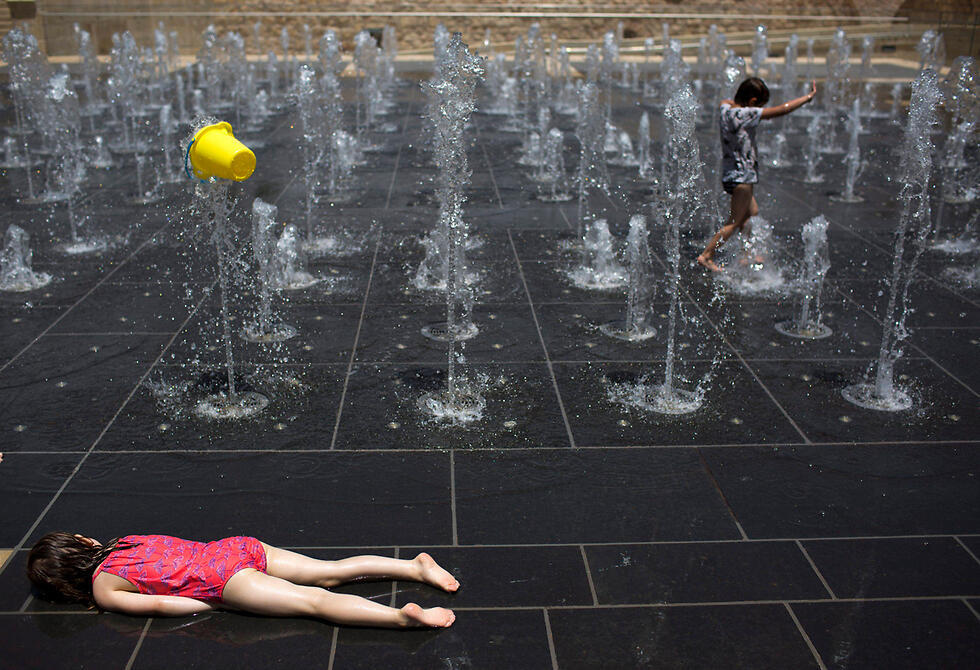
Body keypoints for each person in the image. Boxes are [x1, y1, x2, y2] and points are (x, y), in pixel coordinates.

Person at [27, 532, 459, 628]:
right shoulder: (124, 541)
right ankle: (414, 567)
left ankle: (401, 619)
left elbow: (159, 605)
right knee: (328, 571)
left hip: (223, 578)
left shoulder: (103, 587)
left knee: (314, 603)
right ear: (81, 543)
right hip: (234, 548)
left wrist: (215, 602)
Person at [697, 77, 818, 272]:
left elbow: (724, 101)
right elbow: (782, 109)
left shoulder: (725, 111)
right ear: (753, 102)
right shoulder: (747, 114)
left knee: (751, 214)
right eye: (760, 105)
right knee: (734, 221)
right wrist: (807, 98)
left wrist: (733, 100)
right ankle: (707, 255)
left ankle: (747, 253)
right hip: (743, 177)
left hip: (730, 175)